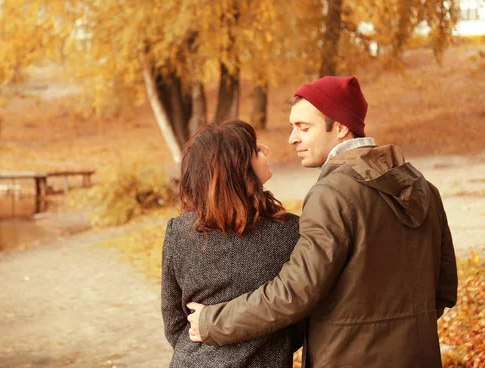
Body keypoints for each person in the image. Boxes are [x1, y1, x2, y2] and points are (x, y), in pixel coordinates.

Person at [186, 76, 458, 368]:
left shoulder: (331, 194)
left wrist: (213, 322)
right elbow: (443, 290)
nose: (292, 138)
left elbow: (295, 292)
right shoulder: (426, 189)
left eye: (304, 128)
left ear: (340, 127)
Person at [161, 120, 302, 367]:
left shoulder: (178, 232)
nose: (266, 149)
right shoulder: (291, 232)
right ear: (240, 169)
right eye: (256, 150)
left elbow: (174, 323)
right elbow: (301, 316)